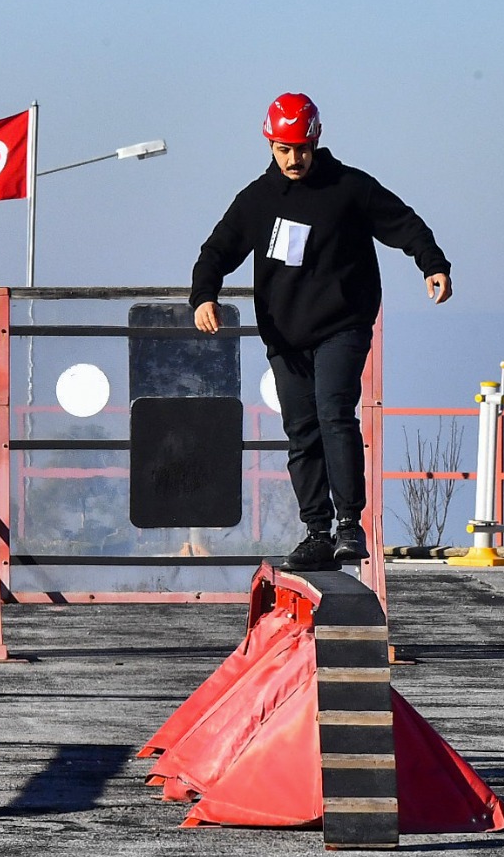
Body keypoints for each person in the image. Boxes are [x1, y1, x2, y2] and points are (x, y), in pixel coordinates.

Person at [190, 92, 452, 571]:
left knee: (334, 412)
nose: (294, 159)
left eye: (302, 149)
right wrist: (204, 295)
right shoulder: (257, 200)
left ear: (317, 140)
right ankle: (316, 531)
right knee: (301, 432)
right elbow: (216, 250)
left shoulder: (349, 187)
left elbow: (403, 223)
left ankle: (349, 525)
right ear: (269, 144)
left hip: (343, 325)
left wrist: (432, 265)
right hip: (286, 338)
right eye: (284, 149)